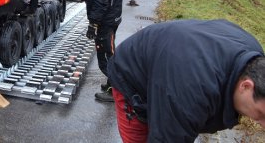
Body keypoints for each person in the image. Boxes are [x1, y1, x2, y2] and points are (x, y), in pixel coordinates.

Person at [107, 19, 265, 142]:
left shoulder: (254, 55)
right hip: (133, 75)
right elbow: (168, 137)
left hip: (173, 63)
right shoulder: (191, 93)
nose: (263, 125)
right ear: (246, 86)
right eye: (261, 115)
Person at [84, 0, 123, 102]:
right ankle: (111, 84)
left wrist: (93, 24)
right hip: (114, 16)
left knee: (105, 57)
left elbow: (100, 1)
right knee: (110, 51)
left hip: (106, 20)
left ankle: (116, 90)